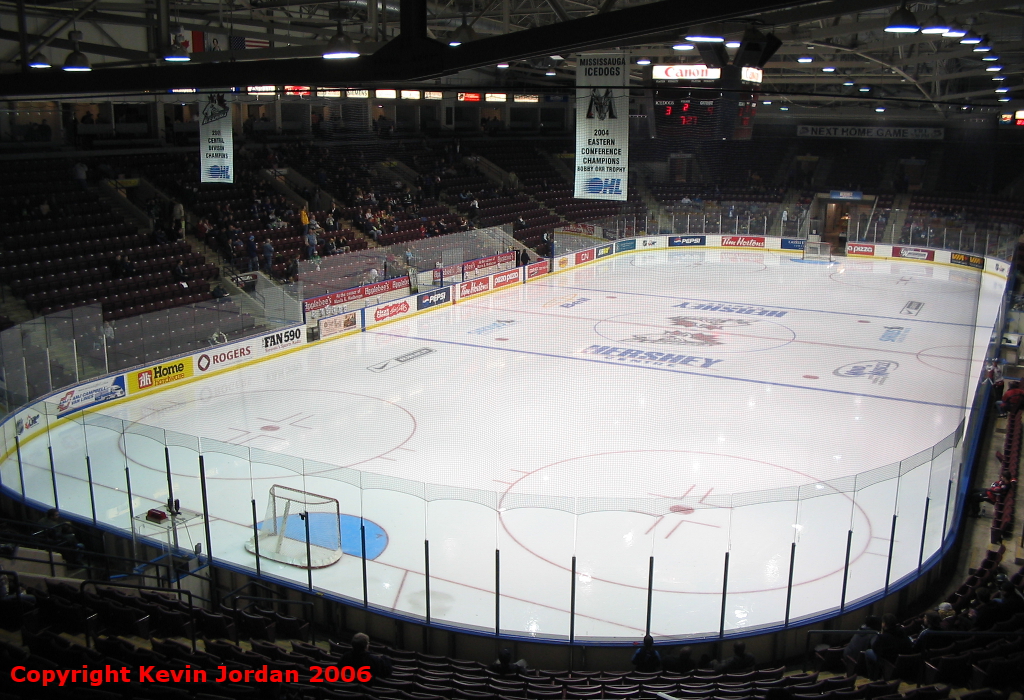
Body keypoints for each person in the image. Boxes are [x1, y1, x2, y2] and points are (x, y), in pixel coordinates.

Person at [864, 613, 911, 679]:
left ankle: (872, 677)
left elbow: (875, 648)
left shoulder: (883, 637)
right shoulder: (901, 631)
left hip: (889, 661)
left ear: (884, 624)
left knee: (868, 652)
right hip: (900, 660)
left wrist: (881, 634)